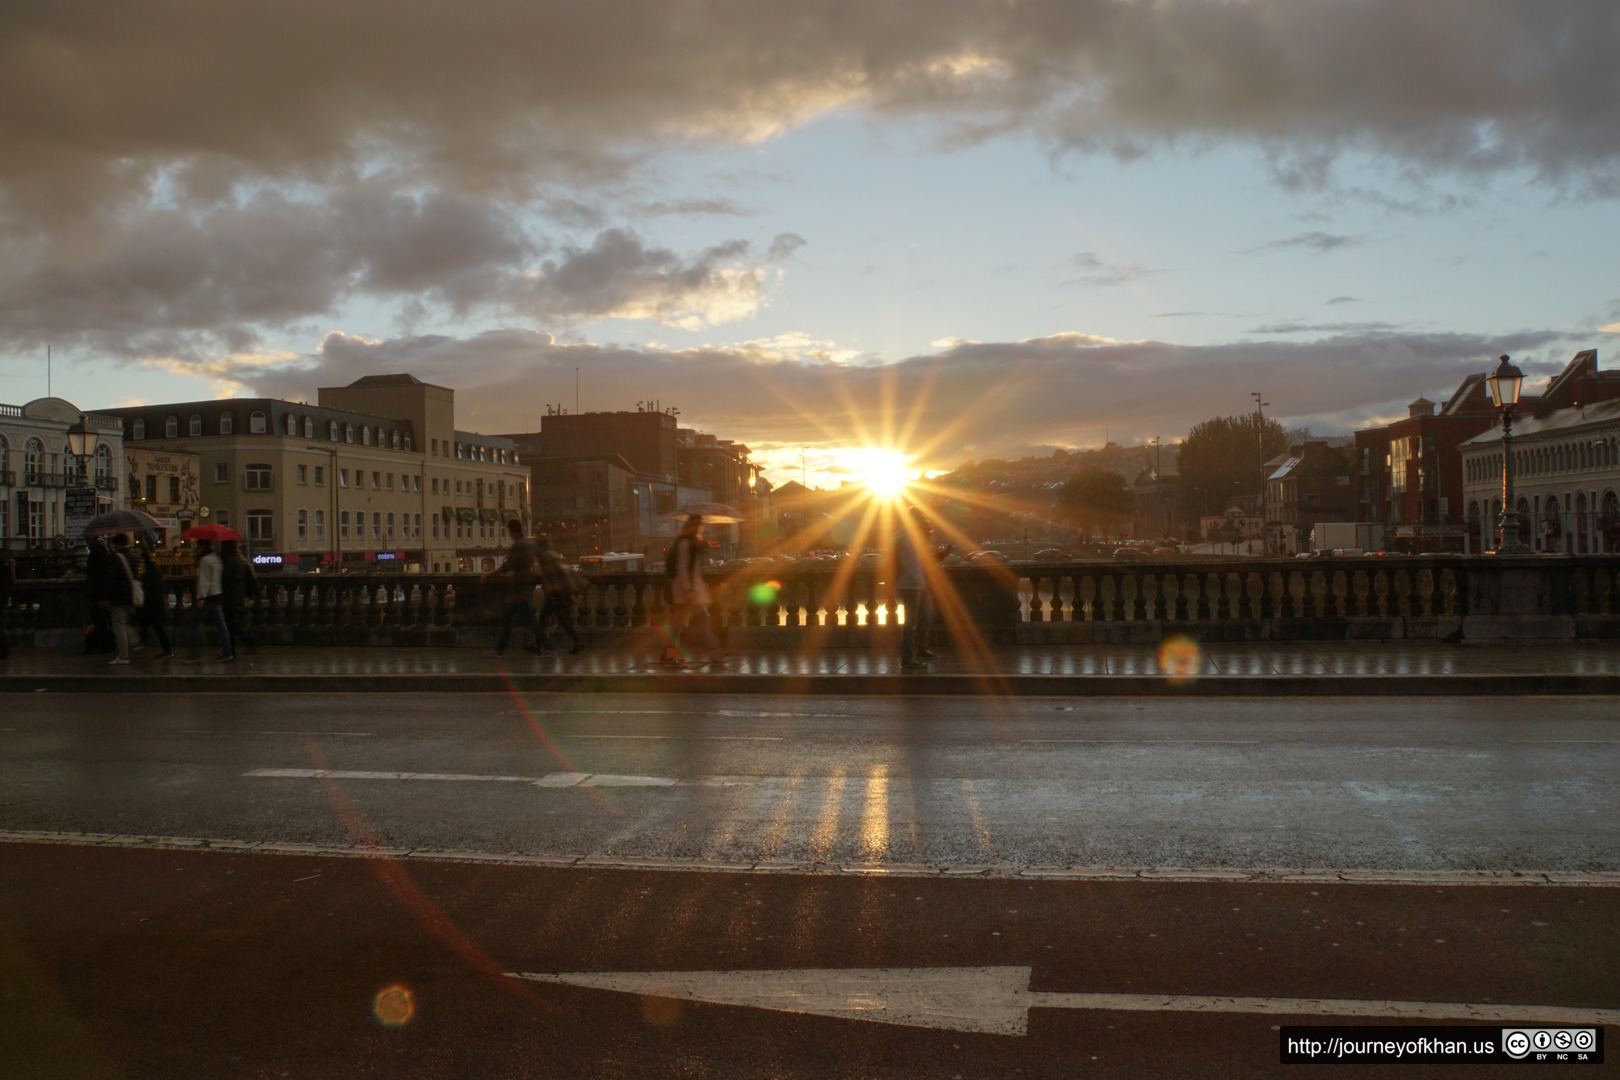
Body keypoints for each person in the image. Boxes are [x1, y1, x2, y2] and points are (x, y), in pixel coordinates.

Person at [661, 514, 718, 668]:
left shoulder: (693, 542)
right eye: (700, 525)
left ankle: (668, 652)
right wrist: (689, 590)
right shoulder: (685, 543)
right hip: (686, 591)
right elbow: (683, 569)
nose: (703, 527)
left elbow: (694, 568)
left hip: (690, 590)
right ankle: (713, 652)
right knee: (680, 623)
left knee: (682, 622)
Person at [895, 507, 948, 672]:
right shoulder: (904, 536)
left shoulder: (915, 536)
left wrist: (943, 554)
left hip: (920, 582)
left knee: (926, 616)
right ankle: (908, 659)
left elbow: (926, 560)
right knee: (911, 623)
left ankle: (921, 649)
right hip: (909, 583)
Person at [482, 519, 540, 657]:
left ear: (513, 530)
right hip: (526, 586)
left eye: (509, 531)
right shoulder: (529, 543)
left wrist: (489, 575)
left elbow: (507, 566)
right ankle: (500, 649)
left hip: (519, 588)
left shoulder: (518, 545)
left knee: (517, 620)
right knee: (521, 619)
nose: (509, 534)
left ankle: (546, 645)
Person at [534, 535, 585, 655]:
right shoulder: (553, 555)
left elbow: (552, 577)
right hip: (558, 593)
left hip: (556, 594)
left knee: (558, 620)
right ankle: (538, 643)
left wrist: (553, 592)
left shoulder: (545, 558)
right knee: (546, 618)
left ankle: (577, 642)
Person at [186, 539, 232, 661]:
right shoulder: (217, 559)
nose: (196, 548)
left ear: (202, 547)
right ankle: (228, 651)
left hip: (207, 597)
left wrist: (200, 597)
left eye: (197, 546)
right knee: (222, 625)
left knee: (194, 625)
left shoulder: (204, 560)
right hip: (217, 594)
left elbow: (203, 580)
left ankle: (194, 653)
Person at [134, 537, 173, 658]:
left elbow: (147, 590)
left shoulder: (148, 576)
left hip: (151, 606)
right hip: (156, 605)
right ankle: (144, 643)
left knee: (153, 626)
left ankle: (164, 649)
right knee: (152, 626)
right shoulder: (157, 575)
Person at [104, 533, 139, 665]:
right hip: (132, 595)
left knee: (118, 626)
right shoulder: (136, 557)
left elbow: (111, 579)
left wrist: (106, 596)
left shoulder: (116, 558)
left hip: (119, 596)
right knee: (126, 623)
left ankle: (124, 656)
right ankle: (135, 642)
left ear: (116, 544)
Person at [218, 540, 257, 655]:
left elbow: (226, 579)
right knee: (230, 622)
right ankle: (236, 645)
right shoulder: (240, 560)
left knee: (228, 623)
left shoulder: (229, 561)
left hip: (229, 596)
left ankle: (234, 647)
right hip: (238, 595)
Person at [82, 536, 117, 654]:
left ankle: (103, 645)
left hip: (98, 591)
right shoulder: (105, 548)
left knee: (99, 620)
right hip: (102, 591)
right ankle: (104, 644)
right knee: (103, 620)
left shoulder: (98, 549)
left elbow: (98, 571)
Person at [0, 549, 15, 661]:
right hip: (3, 597)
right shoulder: (5, 567)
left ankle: (4, 648)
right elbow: (13, 581)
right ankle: (5, 648)